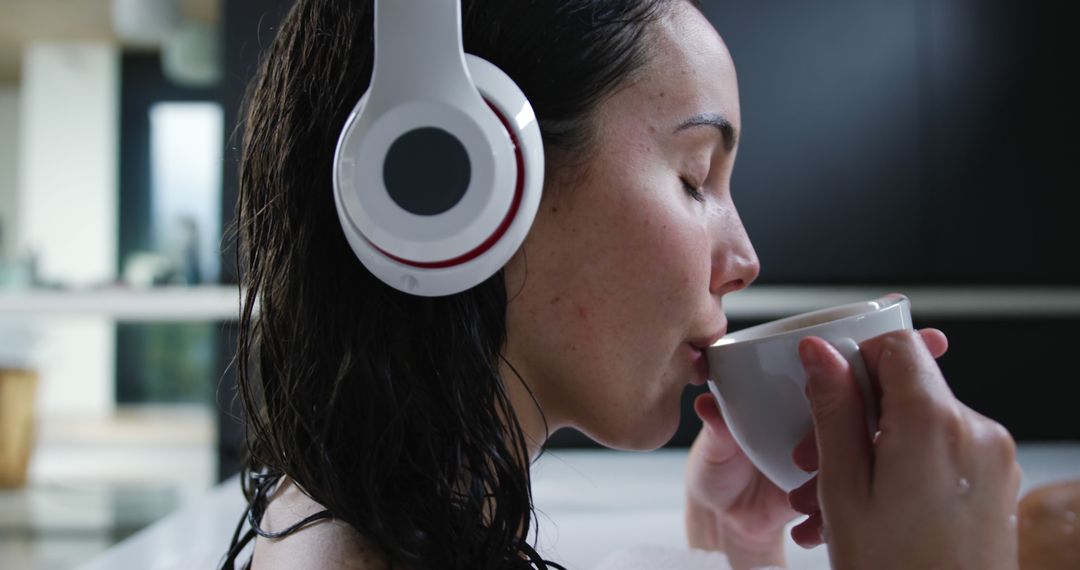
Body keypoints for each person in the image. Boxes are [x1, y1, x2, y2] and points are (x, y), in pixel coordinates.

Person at [222, 1, 1022, 568]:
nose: (745, 259)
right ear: (470, 180)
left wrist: (740, 554)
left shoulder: (334, 511)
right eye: (695, 177)